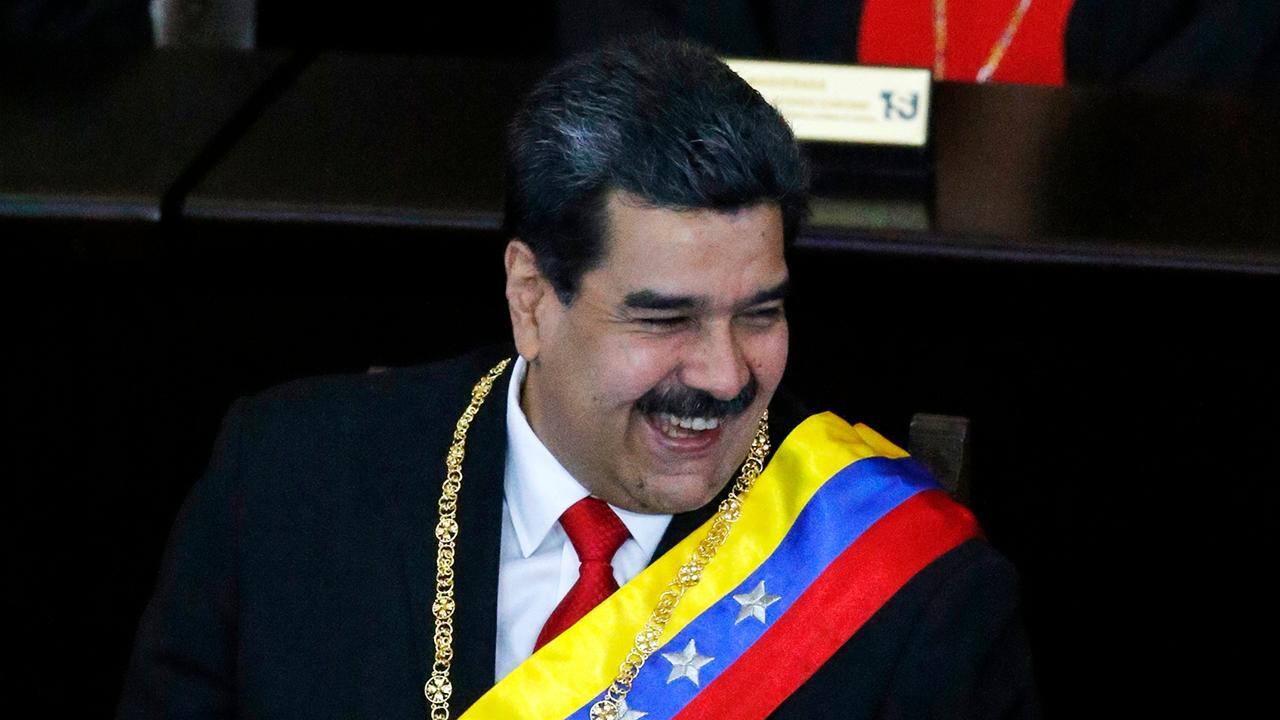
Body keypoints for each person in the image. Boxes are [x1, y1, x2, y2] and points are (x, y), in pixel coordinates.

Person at [118, 38, 1038, 719]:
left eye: (759, 313)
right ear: (532, 299)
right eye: (664, 319)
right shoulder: (285, 484)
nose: (724, 374)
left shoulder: (909, 595)